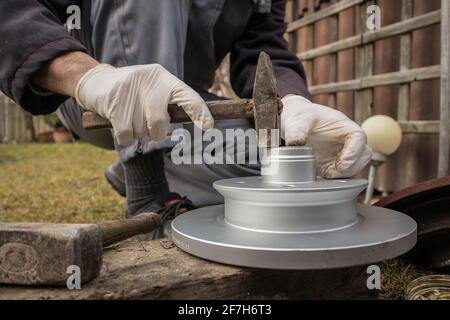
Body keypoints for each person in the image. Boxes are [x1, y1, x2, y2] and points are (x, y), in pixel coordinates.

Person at [0, 0, 372, 235]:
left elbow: (263, 47)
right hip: (92, 95)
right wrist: (85, 75)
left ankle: (165, 166)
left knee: (278, 166)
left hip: (184, 111)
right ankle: (146, 188)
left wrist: (292, 103)